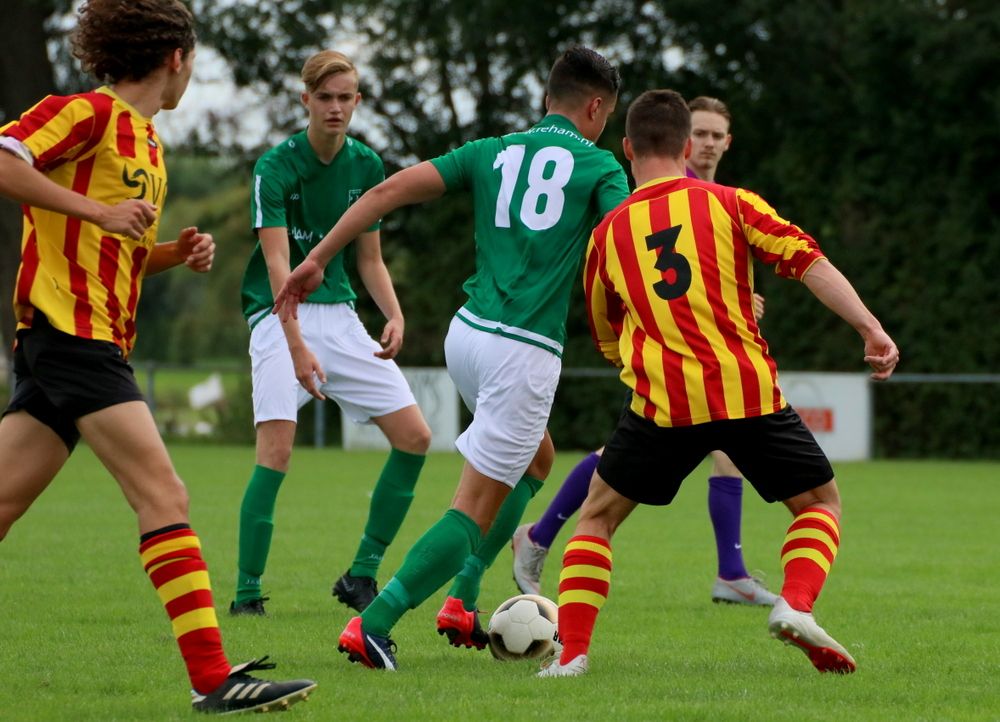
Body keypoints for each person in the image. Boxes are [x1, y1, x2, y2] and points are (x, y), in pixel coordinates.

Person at [0, 0, 315, 713]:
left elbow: (116, 252)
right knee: (164, 496)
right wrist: (100, 212)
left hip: (85, 339)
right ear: (177, 58)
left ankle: (214, 679)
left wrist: (172, 253)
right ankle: (214, 679)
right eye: (192, 61)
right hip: (72, 335)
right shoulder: (87, 113)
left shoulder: (147, 144)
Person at [274, 46, 629, 669]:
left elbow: (387, 191)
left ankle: (461, 598)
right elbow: (627, 248)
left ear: (548, 97)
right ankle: (373, 625)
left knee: (538, 459)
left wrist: (317, 258)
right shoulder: (600, 165)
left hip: (467, 335)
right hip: (522, 349)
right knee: (473, 507)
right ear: (597, 108)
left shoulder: (492, 150)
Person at [538, 89, 898, 678]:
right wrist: (871, 328)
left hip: (662, 405)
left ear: (627, 148)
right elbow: (808, 260)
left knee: (597, 520)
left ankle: (571, 656)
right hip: (747, 393)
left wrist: (654, 353)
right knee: (819, 504)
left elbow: (606, 334)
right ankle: (794, 604)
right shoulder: (731, 203)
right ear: (686, 148)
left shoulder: (606, 235)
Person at [512, 95, 777, 607]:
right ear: (683, 141)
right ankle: (539, 536)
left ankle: (731, 573)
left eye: (716, 135)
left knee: (724, 454)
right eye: (699, 133)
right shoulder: (664, 191)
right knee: (621, 460)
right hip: (661, 354)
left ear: (728, 142)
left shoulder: (718, 197)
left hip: (707, 357)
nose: (707, 143)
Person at [230, 49, 431, 618]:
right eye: (325, 97)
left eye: (345, 98)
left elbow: (370, 258)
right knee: (276, 452)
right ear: (306, 100)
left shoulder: (367, 165)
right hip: (277, 318)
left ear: (358, 102)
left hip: (340, 316)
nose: (335, 107)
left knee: (415, 437)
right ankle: (247, 595)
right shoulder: (275, 167)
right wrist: (295, 344)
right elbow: (279, 268)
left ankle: (361, 574)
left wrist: (394, 313)